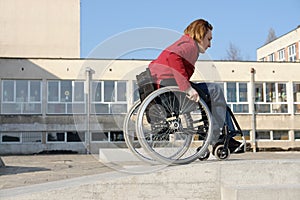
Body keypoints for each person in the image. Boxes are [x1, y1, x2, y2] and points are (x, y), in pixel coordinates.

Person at [148, 19, 233, 145]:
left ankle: (220, 133)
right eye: (209, 39)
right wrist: (187, 88)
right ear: (200, 35)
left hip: (165, 84)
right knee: (215, 90)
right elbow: (173, 57)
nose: (210, 44)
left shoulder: (184, 43)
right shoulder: (190, 45)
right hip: (171, 86)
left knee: (210, 94)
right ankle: (219, 135)